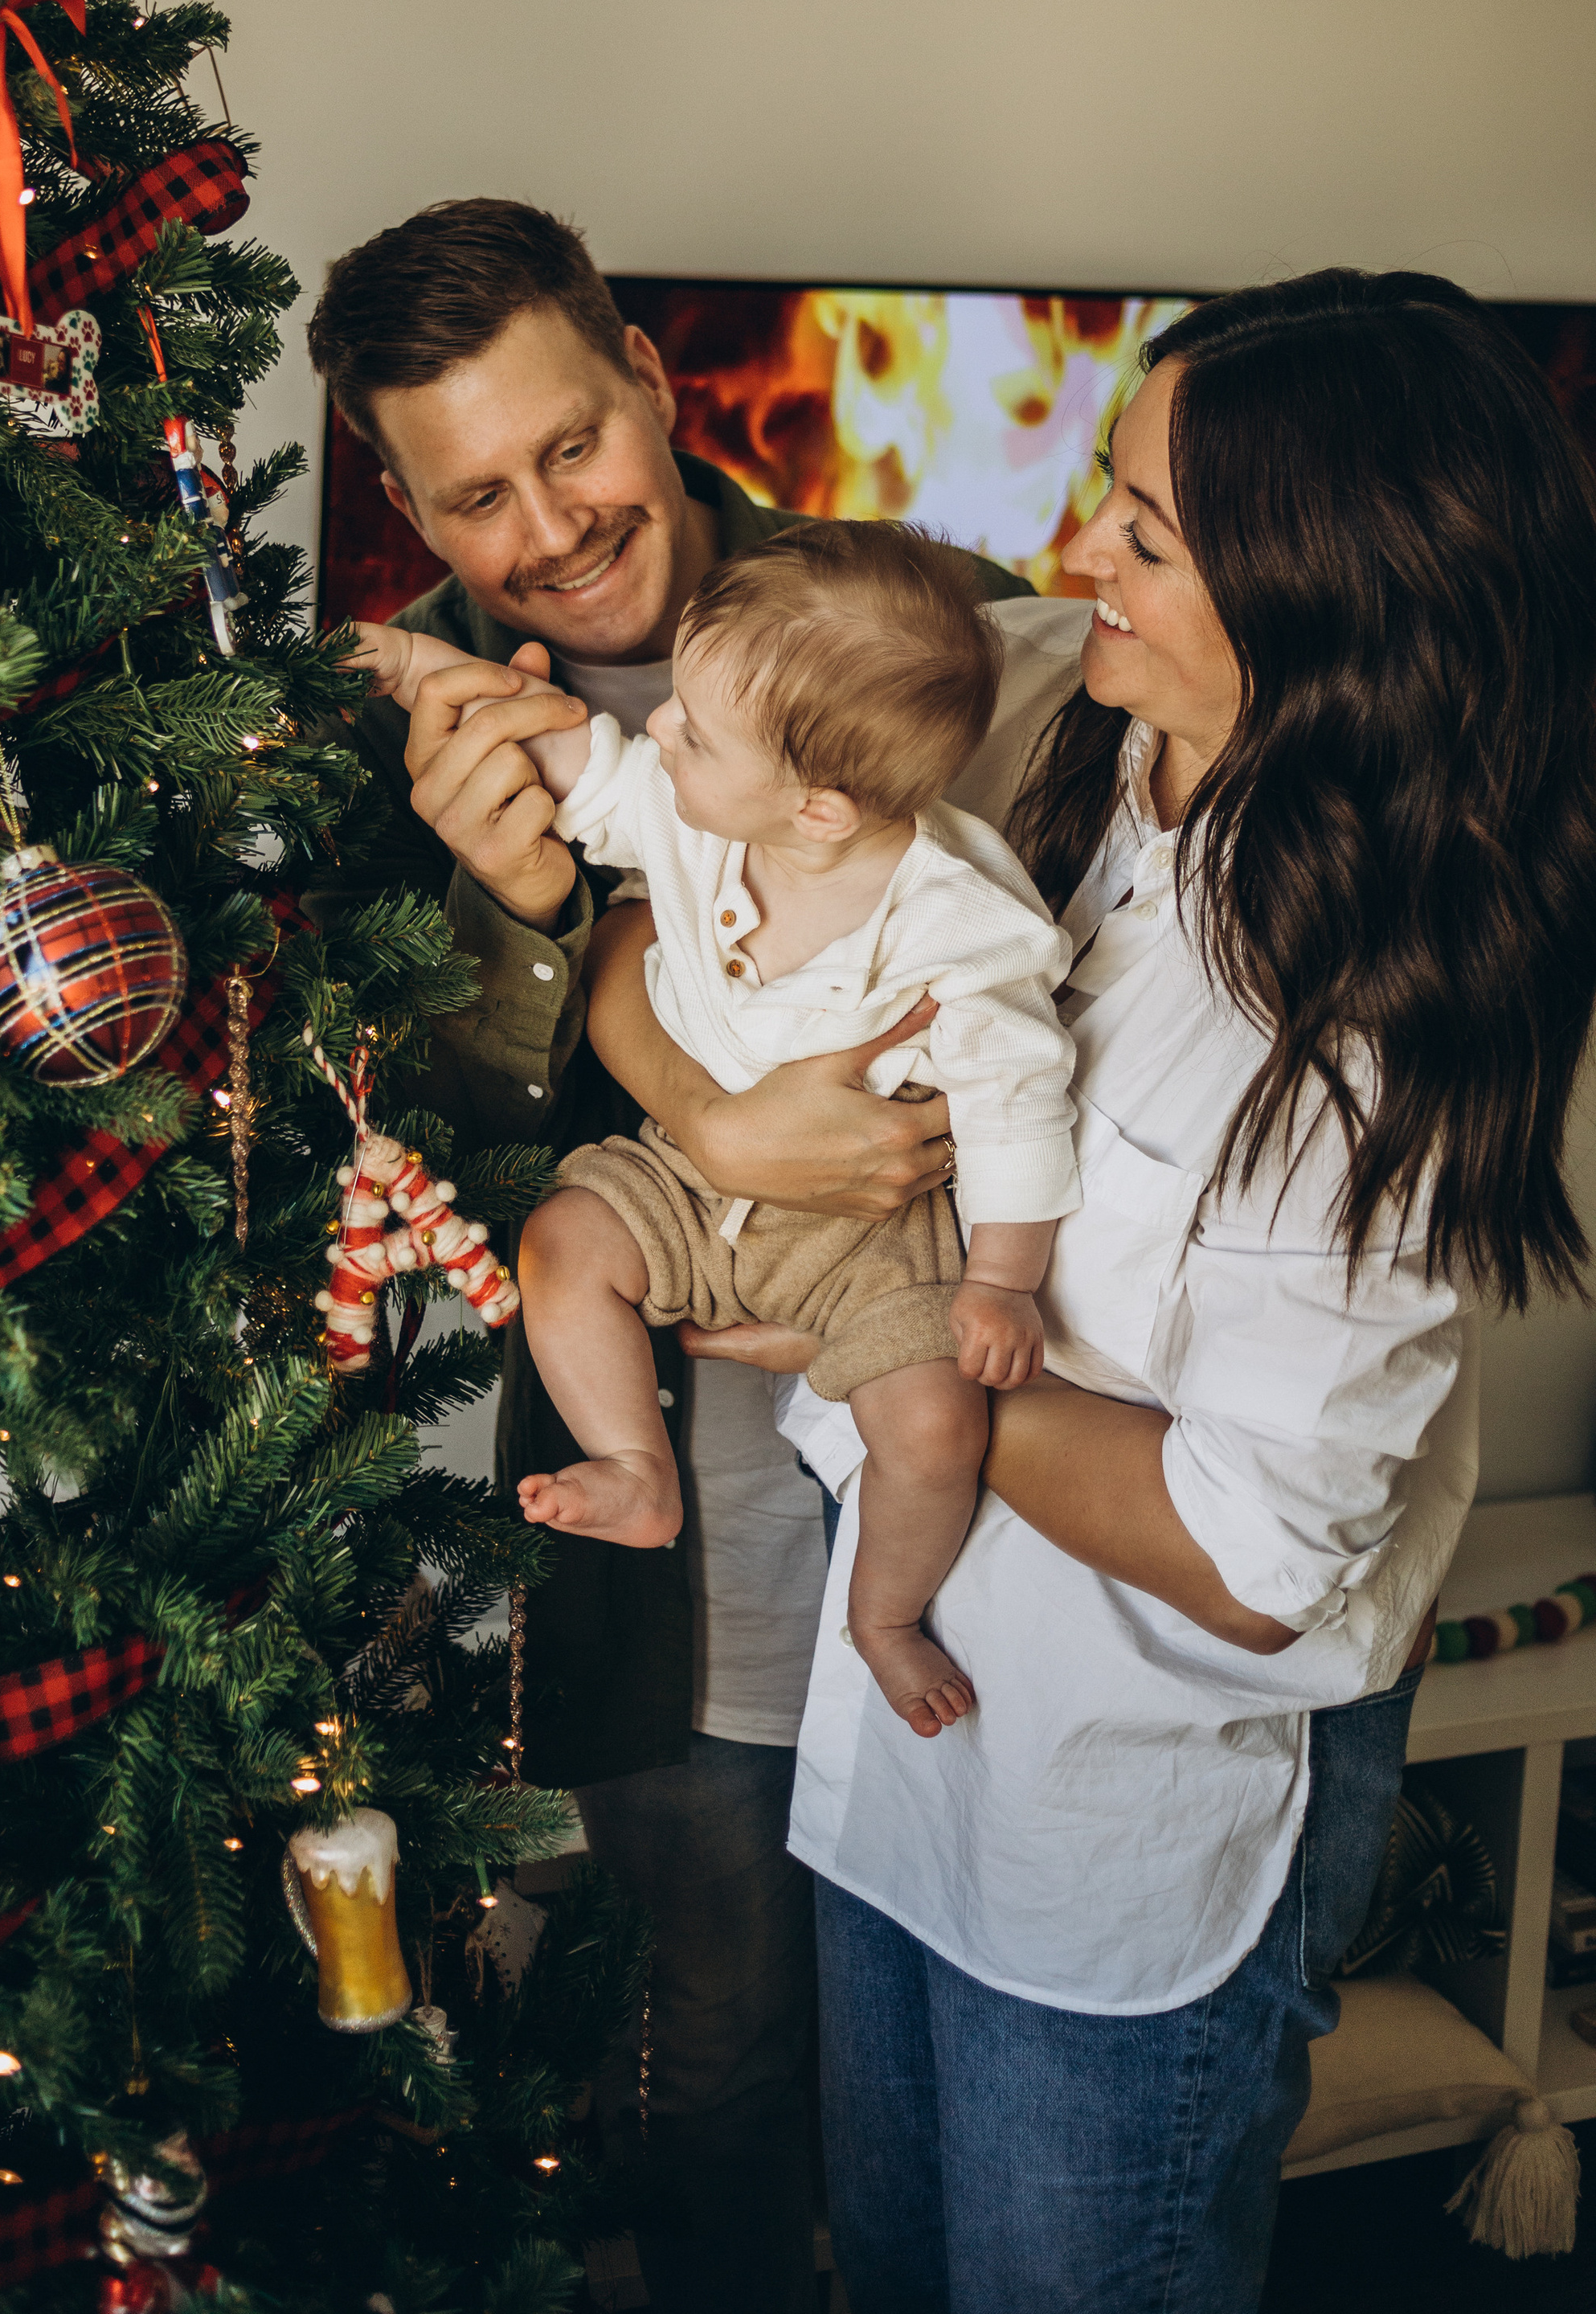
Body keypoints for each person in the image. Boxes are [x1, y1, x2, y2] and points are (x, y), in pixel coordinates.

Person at [576, 268, 1596, 2313]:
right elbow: (674, 894)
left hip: (1119, 1814)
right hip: (917, 1737)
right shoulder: (1082, 750)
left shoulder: (1357, 1024)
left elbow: (1248, 1560)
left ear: (1326, 588)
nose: (1079, 559)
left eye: (1145, 530)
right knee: (888, 2262)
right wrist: (716, 1112)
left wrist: (867, 1355)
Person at [305, 203, 1029, 2314]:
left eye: (570, 450)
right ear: (401, 498)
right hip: (677, 1575)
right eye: (471, 498)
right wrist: (518, 925)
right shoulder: (385, 748)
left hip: (991, 1490)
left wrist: (812, 1137)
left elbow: (1104, 1015)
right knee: (710, 2056)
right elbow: (400, 1180)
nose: (541, 531)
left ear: (646, 371)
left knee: (963, 2044)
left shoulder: (942, 618)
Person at [346, 518, 1079, 1736]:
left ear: (822, 810)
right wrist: (419, 669)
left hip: (868, 1226)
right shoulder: (694, 809)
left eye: (693, 727)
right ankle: (637, 1471)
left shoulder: (962, 924)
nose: (661, 732)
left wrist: (1003, 1278)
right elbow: (583, 759)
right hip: (683, 1173)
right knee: (561, 1249)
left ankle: (886, 1616)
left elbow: (1018, 1097)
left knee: (937, 1420)